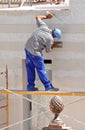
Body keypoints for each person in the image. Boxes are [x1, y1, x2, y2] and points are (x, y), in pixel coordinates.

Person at [25, 12, 61, 91]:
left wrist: (47, 17)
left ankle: (30, 87)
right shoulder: (50, 39)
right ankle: (48, 87)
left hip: (27, 48)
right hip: (35, 52)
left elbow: (37, 17)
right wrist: (53, 46)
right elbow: (48, 51)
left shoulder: (44, 27)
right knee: (41, 69)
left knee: (30, 68)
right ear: (54, 36)